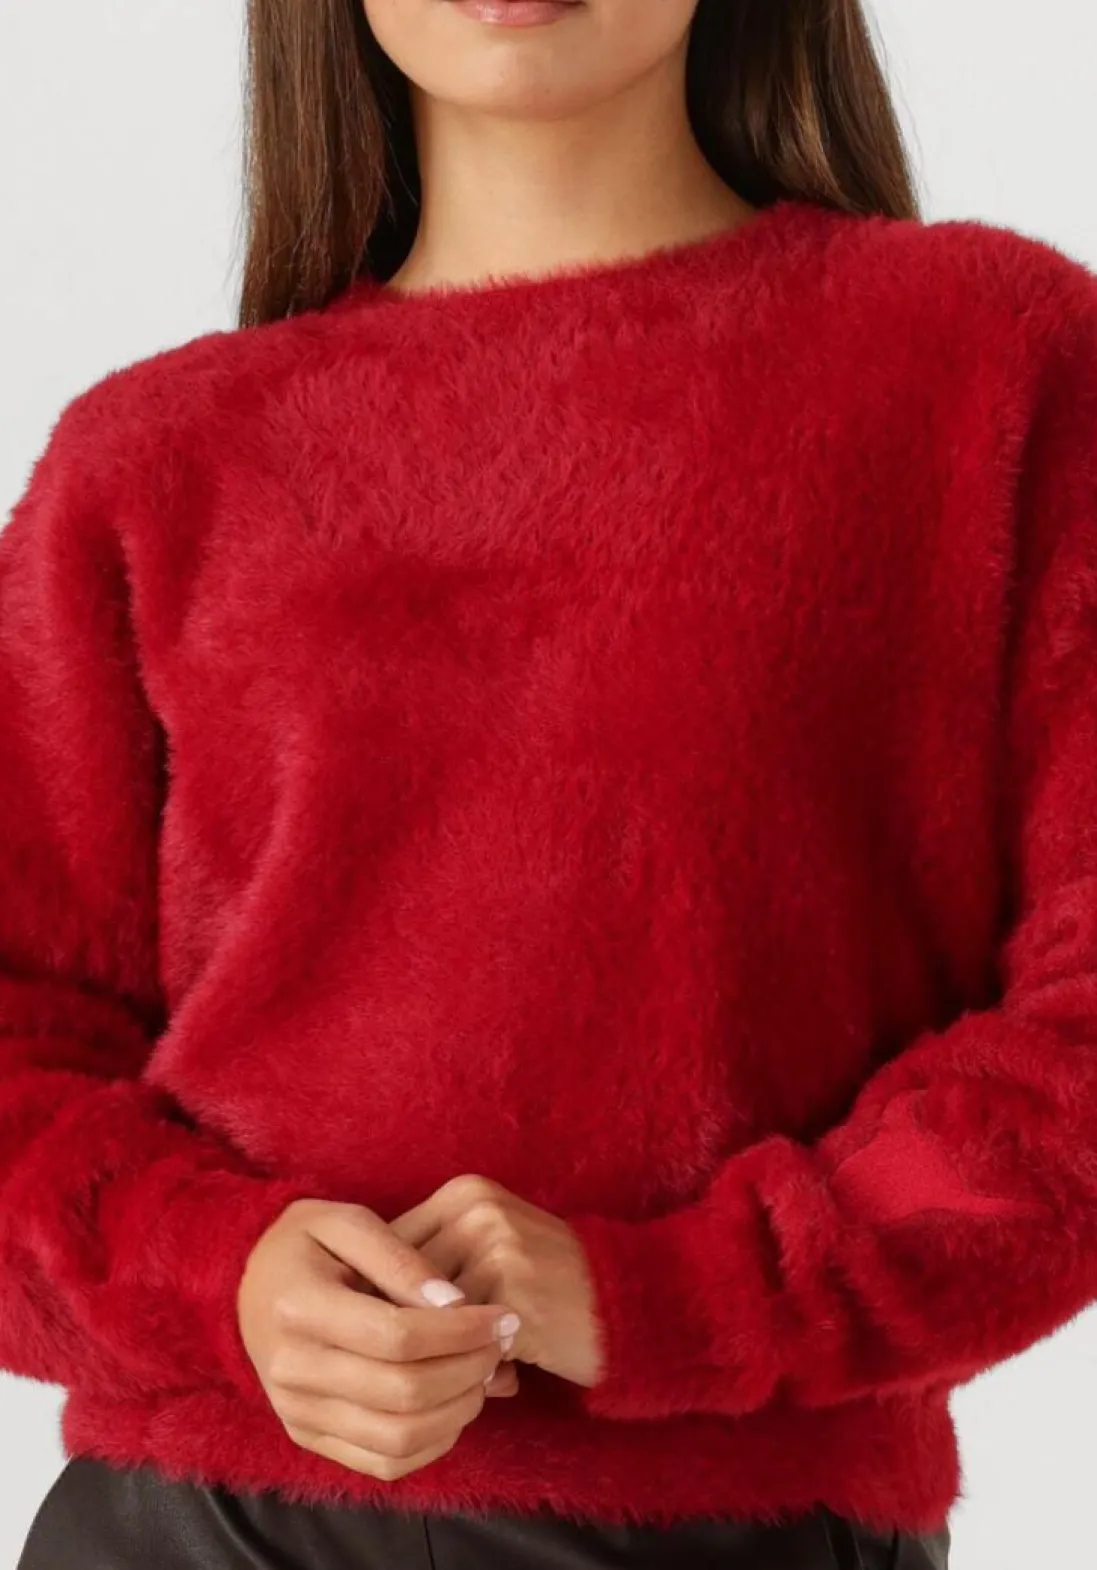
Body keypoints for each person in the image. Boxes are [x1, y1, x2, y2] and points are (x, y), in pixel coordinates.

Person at [4, 0, 1096, 1565]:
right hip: (200, 1525)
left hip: (744, 1525)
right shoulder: (150, 464)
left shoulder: (988, 362)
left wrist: (679, 1298)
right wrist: (217, 1277)